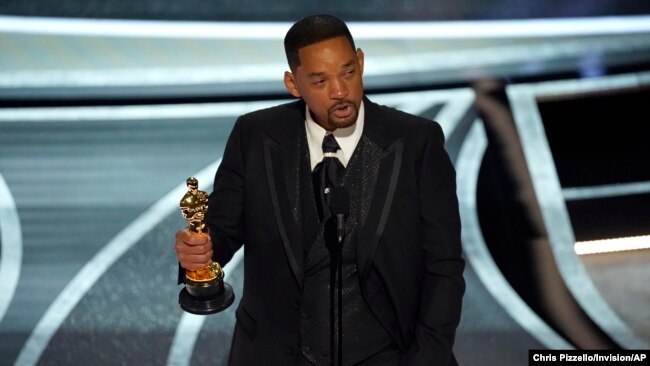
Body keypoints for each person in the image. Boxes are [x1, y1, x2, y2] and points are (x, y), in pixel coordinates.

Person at [175, 14, 465, 366]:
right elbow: (221, 231)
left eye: (347, 72)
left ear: (360, 62)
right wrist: (200, 254)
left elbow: (444, 266)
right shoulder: (255, 137)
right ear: (293, 84)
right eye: (320, 80)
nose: (340, 91)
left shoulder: (417, 142)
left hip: (390, 355)